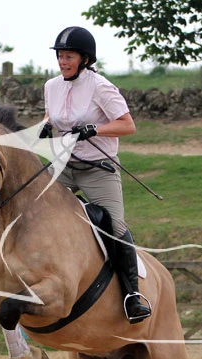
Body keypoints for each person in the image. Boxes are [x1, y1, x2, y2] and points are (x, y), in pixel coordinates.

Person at [40, 26, 151, 324]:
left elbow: (128, 125)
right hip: (63, 166)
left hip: (97, 169)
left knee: (114, 226)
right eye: (60, 56)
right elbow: (54, 114)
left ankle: (132, 295)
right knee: (30, 208)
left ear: (85, 59)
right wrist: (46, 124)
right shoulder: (51, 86)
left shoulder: (101, 87)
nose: (63, 62)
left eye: (69, 56)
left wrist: (95, 129)